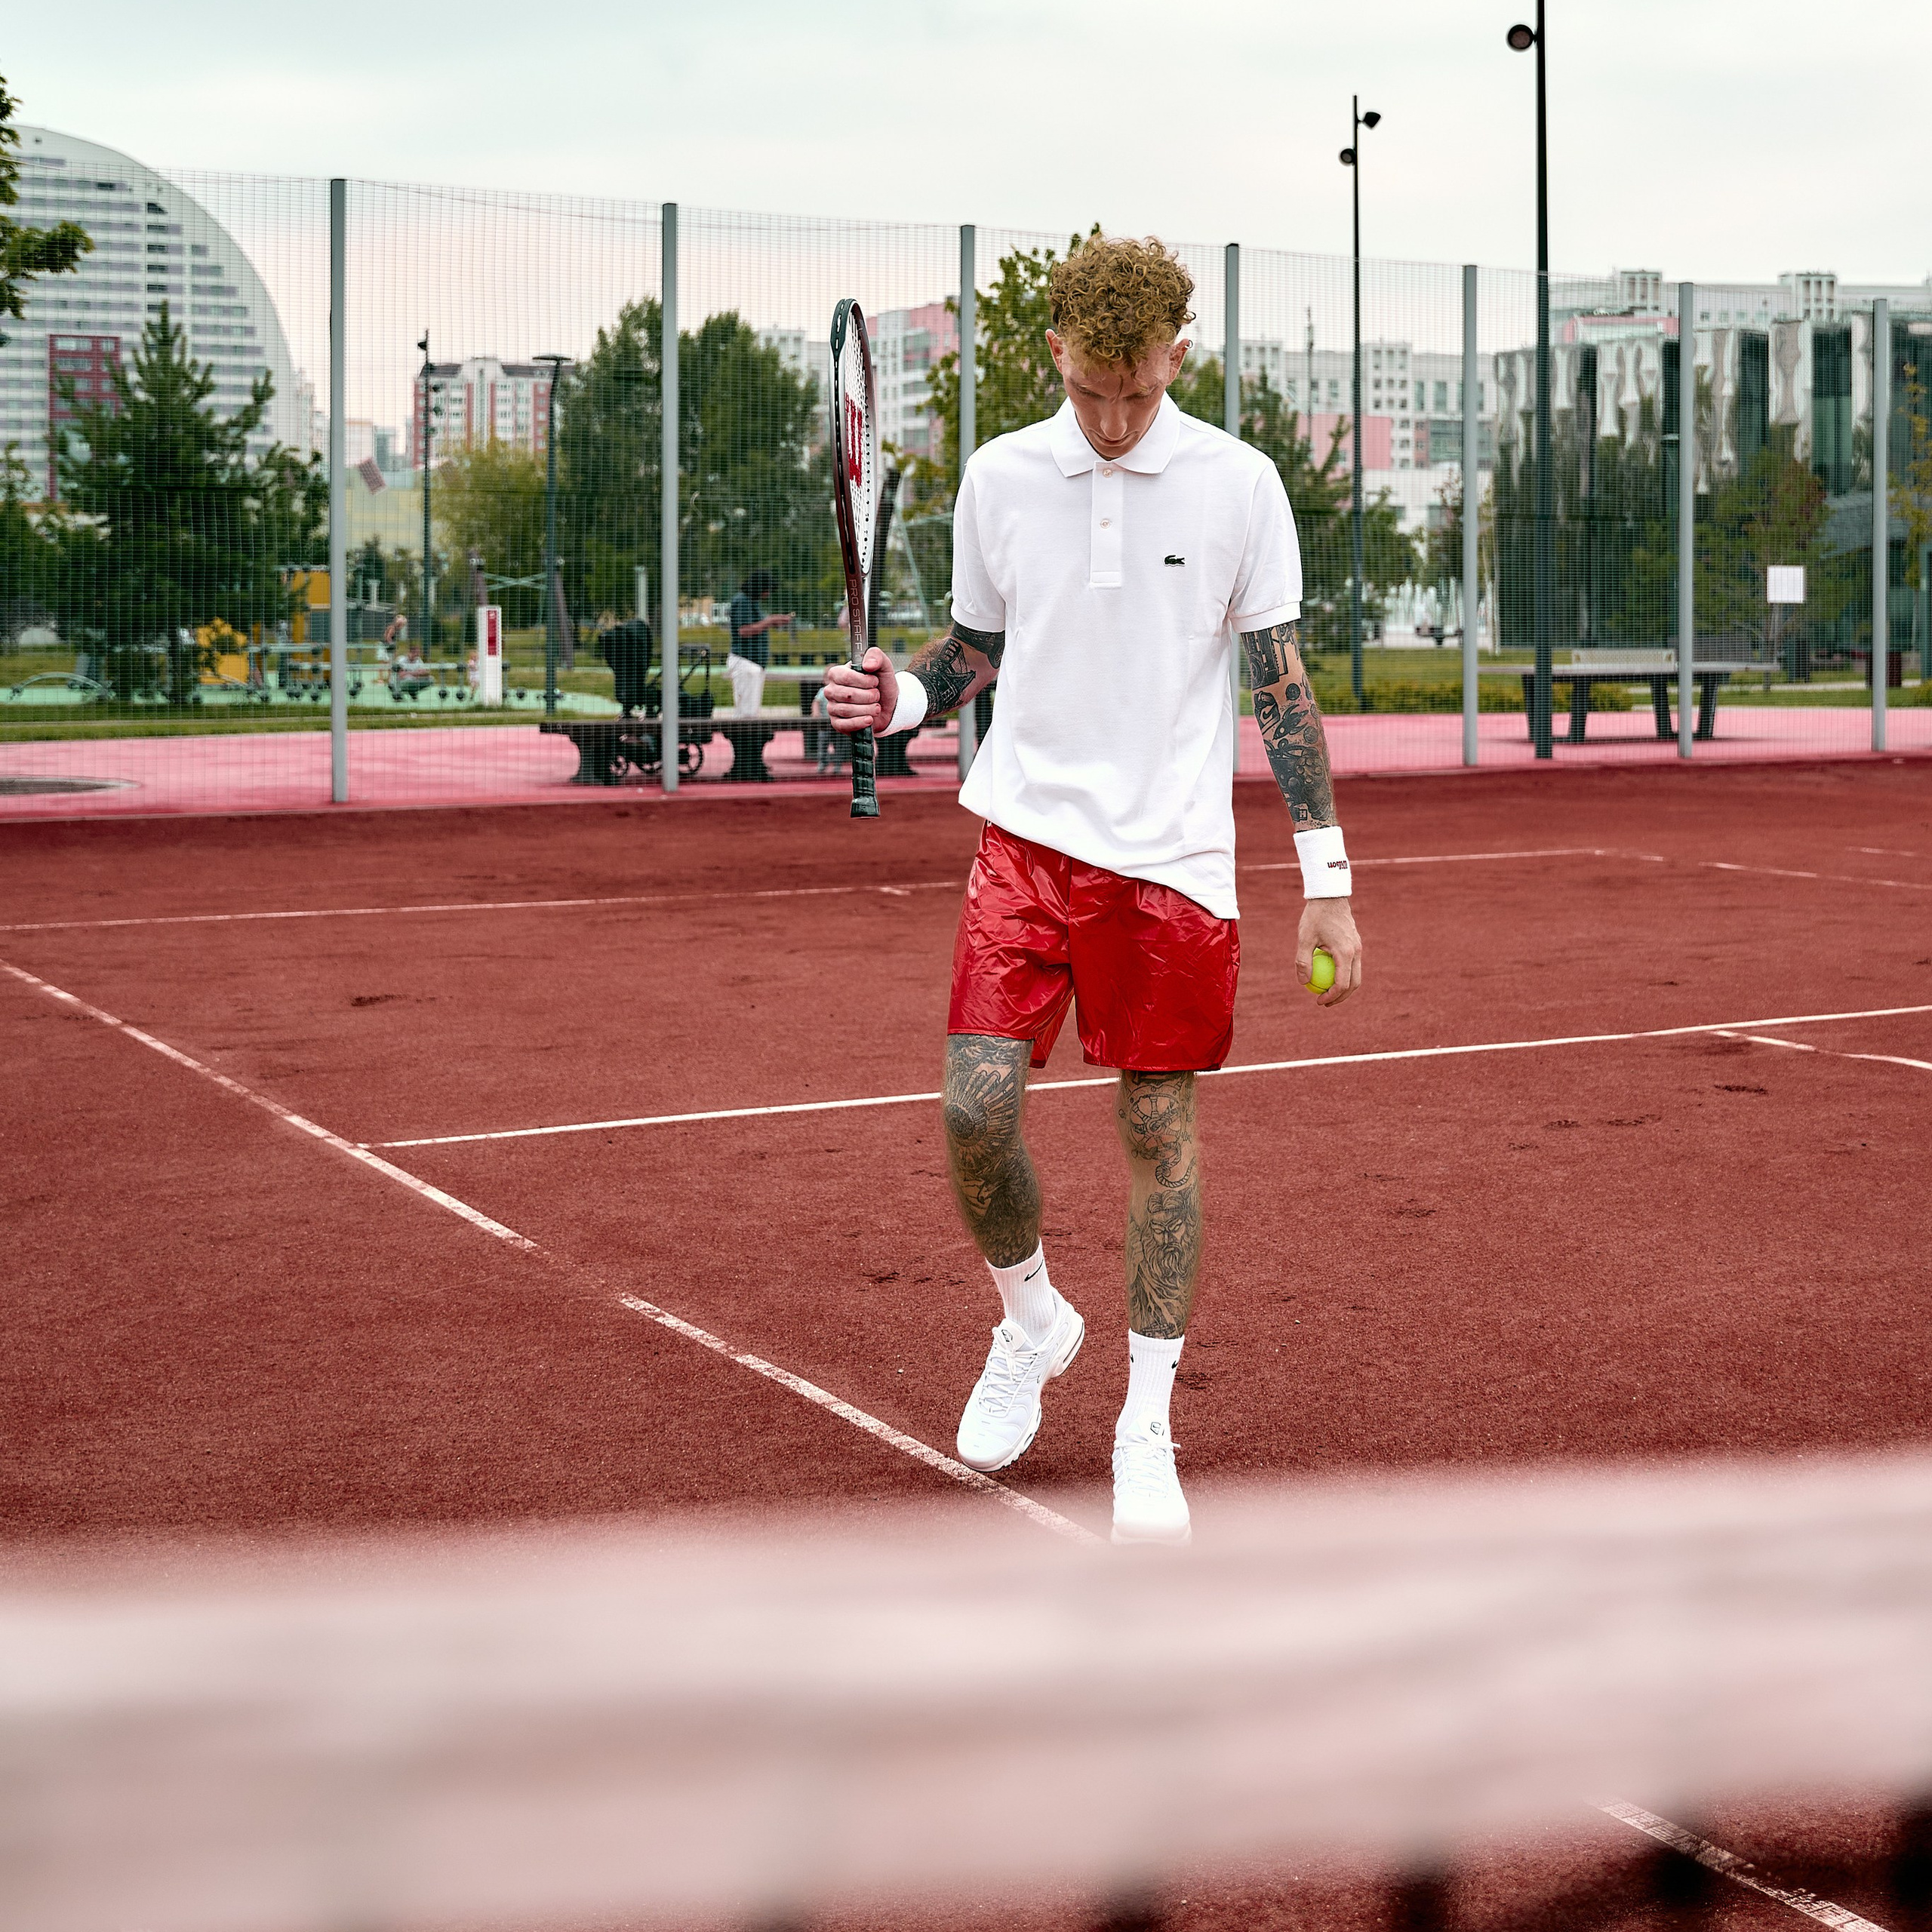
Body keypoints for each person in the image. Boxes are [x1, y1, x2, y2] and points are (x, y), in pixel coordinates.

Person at [824, 234, 1362, 1548]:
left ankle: (1145, 1426)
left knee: (1159, 1133)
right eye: (1090, 390)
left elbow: (1279, 687)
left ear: (1176, 356)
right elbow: (974, 652)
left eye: (1137, 390)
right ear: (1055, 352)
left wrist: (1327, 878)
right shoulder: (1001, 478)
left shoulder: (1241, 485)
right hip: (1025, 837)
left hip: (1170, 863)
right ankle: (1031, 1322)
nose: (1114, 419)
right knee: (974, 1107)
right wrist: (896, 701)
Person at [723, 571, 793, 715]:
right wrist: (770, 621)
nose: (768, 594)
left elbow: (756, 626)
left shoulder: (751, 602)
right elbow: (743, 630)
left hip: (754, 662)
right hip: (745, 661)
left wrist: (772, 622)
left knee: (751, 710)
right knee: (747, 712)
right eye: (767, 590)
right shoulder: (742, 601)